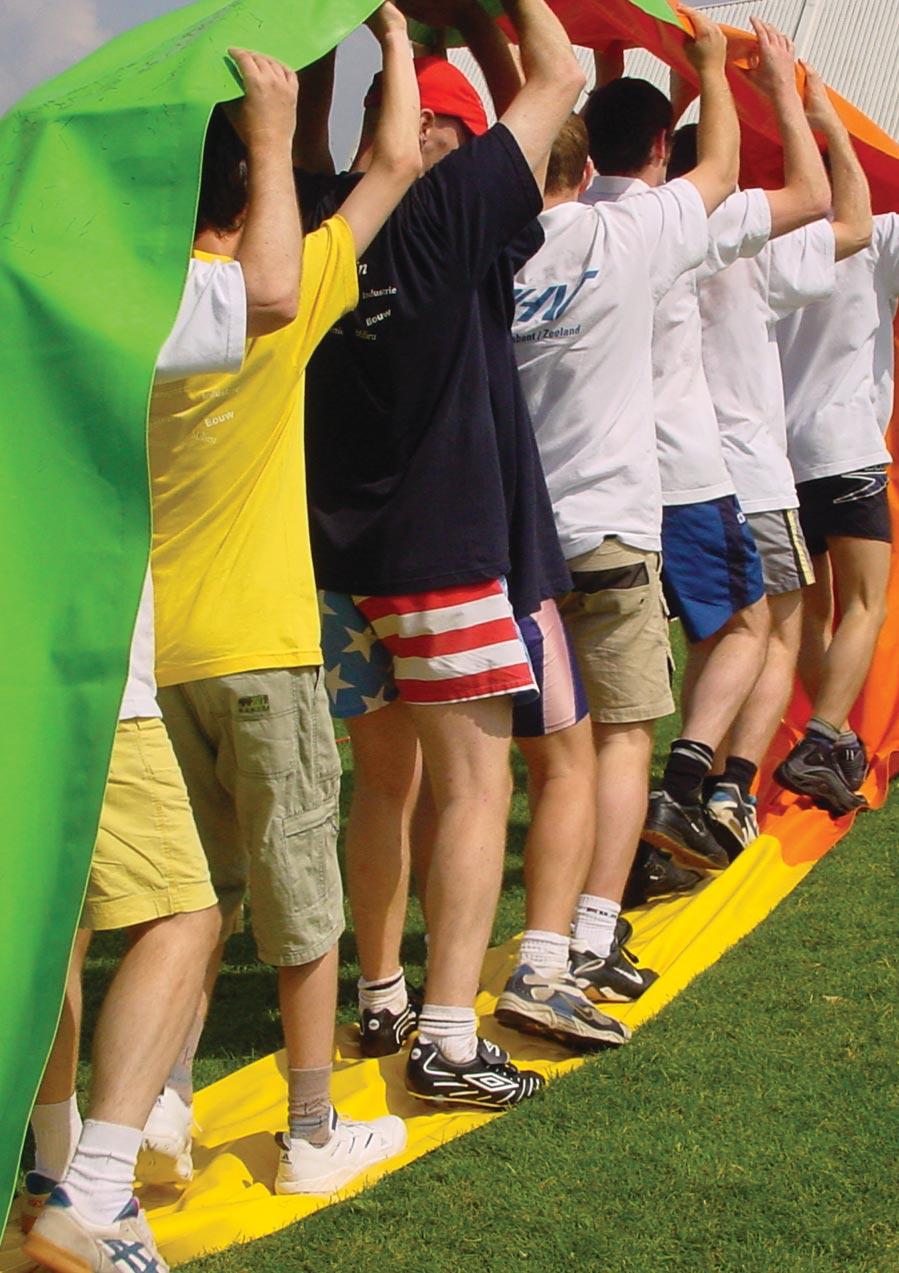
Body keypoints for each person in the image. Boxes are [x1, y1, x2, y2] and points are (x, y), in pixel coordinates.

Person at [21, 49, 303, 1273]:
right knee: (183, 915)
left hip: (22, 665)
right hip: (83, 666)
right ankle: (89, 1197)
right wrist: (281, 135)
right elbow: (274, 291)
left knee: (47, 921)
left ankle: (46, 1158)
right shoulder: (108, 287)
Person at [146, 4, 424, 1196]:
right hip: (263, 647)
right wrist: (392, 37)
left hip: (156, 658)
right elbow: (393, 162)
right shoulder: (282, 294)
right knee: (299, 902)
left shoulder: (135, 314)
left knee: (185, 904)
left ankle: (157, 1108)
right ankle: (309, 1134)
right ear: (251, 185)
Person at [297, 0, 589, 1102]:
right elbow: (557, 79)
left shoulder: (326, 215)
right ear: (436, 134)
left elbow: (305, 120)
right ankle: (446, 1038)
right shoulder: (455, 216)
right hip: (445, 559)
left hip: (333, 564)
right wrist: (485, 14)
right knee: (471, 791)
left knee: (380, 786)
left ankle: (379, 995)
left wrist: (355, 33)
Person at [506, 6, 736, 1011]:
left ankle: (528, 946)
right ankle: (584, 939)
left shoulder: (494, 245)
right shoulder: (628, 227)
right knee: (620, 741)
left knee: (538, 765)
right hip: (609, 531)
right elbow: (717, 170)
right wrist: (716, 70)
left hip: (517, 537)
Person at [586, 19, 834, 872]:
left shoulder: (565, 220)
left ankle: (628, 831)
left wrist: (635, 72)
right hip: (690, 468)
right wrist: (773, 91)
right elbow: (812, 197)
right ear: (665, 148)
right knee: (747, 625)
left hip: (589, 480)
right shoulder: (678, 221)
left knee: (606, 686)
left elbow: (605, 143)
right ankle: (693, 786)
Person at [678, 67, 874, 850]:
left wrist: (684, 72)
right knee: (777, 632)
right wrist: (809, 111)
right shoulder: (743, 247)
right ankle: (722, 788)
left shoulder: (641, 235)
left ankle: (699, 782)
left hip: (679, 475)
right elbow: (847, 218)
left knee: (716, 638)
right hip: (754, 469)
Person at [774, 112, 893, 817]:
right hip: (844, 445)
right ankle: (820, 739)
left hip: (782, 454)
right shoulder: (875, 238)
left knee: (810, 618)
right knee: (865, 605)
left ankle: (838, 738)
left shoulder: (777, 242)